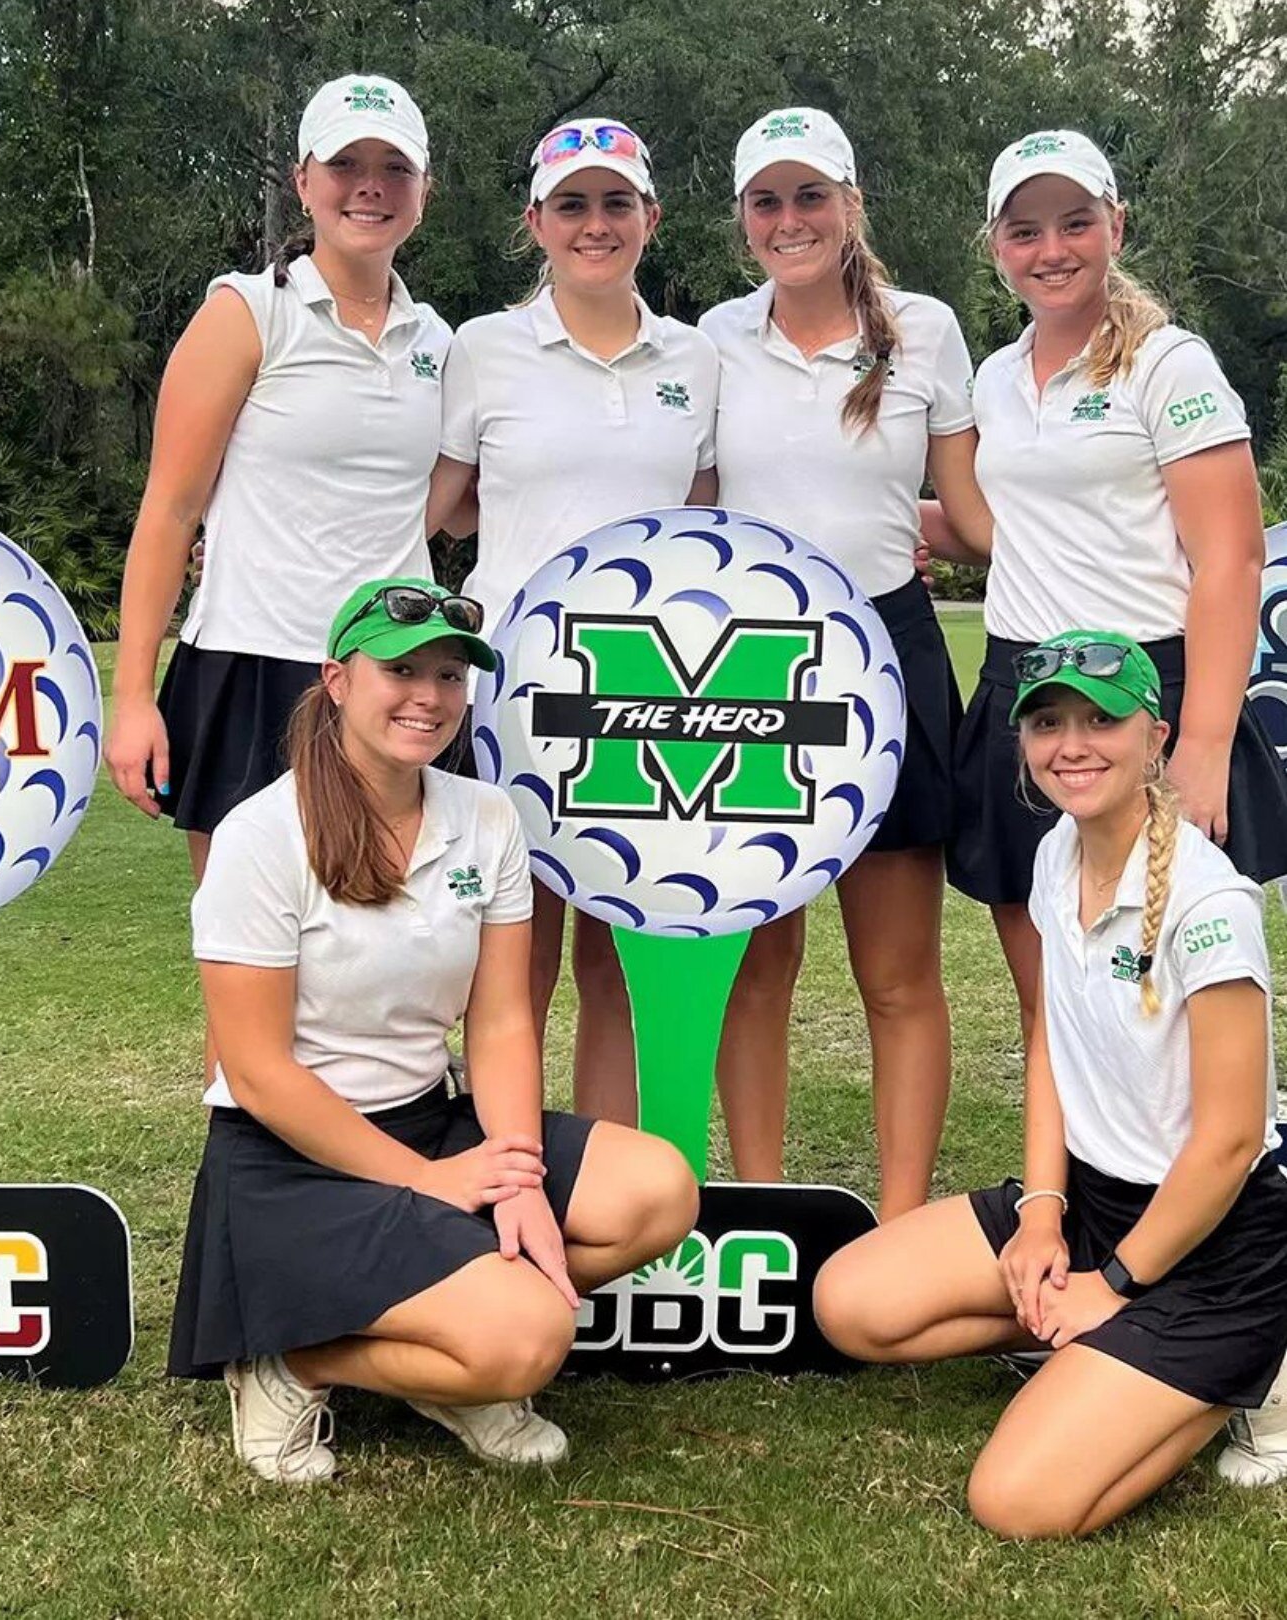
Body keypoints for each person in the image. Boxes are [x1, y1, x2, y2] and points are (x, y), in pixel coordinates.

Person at [167, 576, 699, 1483]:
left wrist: (517, 1171)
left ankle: (449, 1343)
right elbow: (256, 1072)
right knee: (530, 1338)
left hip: (431, 1118)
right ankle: (290, 1364)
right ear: (337, 681)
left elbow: (498, 1020)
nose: (430, 696)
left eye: (451, 675)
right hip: (294, 1156)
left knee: (659, 1191)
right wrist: (432, 1184)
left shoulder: (486, 816)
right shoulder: (262, 835)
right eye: (402, 669)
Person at [814, 631, 1287, 1536]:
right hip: (1092, 1205)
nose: (1072, 744)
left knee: (1017, 1503)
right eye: (1047, 722)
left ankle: (1256, 1363)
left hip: (1213, 1242)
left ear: (1156, 735)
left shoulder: (1210, 902)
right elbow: (1051, 1046)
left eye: (1101, 720)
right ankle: (1099, 1348)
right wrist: (1039, 1215)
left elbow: (1229, 1143)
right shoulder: (1055, 858)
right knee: (851, 1305)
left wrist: (1112, 1284)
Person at [697, 108, 991, 1215]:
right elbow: (693, 506)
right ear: (743, 221)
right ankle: (766, 1205)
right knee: (760, 963)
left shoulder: (927, 329)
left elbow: (969, 517)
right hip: (753, 665)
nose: (790, 220)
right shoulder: (714, 339)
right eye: (767, 201)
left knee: (899, 974)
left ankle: (903, 1223)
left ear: (851, 205)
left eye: (811, 196)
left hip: (890, 647)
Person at [946, 128, 1287, 1033]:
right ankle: (1060, 1178)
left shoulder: (1170, 364)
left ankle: (1196, 1174)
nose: (1051, 250)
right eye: (1025, 231)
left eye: (1075, 223)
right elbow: (1006, 523)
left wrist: (1203, 746)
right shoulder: (995, 379)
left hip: (1145, 692)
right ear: (995, 247)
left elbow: (1232, 558)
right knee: (1050, 997)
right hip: (1025, 692)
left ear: (1116, 227)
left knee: (1165, 993)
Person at [427, 117, 720, 1123]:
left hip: (646, 691)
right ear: (536, 223)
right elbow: (438, 506)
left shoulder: (698, 359)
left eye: (615, 203)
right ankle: (498, 1161)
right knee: (513, 946)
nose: (595, 225)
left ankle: (603, 1167)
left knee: (616, 949)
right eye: (571, 205)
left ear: (651, 216)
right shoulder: (483, 350)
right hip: (514, 693)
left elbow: (709, 523)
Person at [104, 73, 452, 883]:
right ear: (303, 181)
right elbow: (169, 511)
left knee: (391, 958)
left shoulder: (438, 341)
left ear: (423, 192)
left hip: (392, 674)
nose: (370, 185)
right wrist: (132, 699)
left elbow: (445, 498)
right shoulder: (247, 312)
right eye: (345, 164)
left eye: (394, 167)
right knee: (252, 966)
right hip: (250, 666)